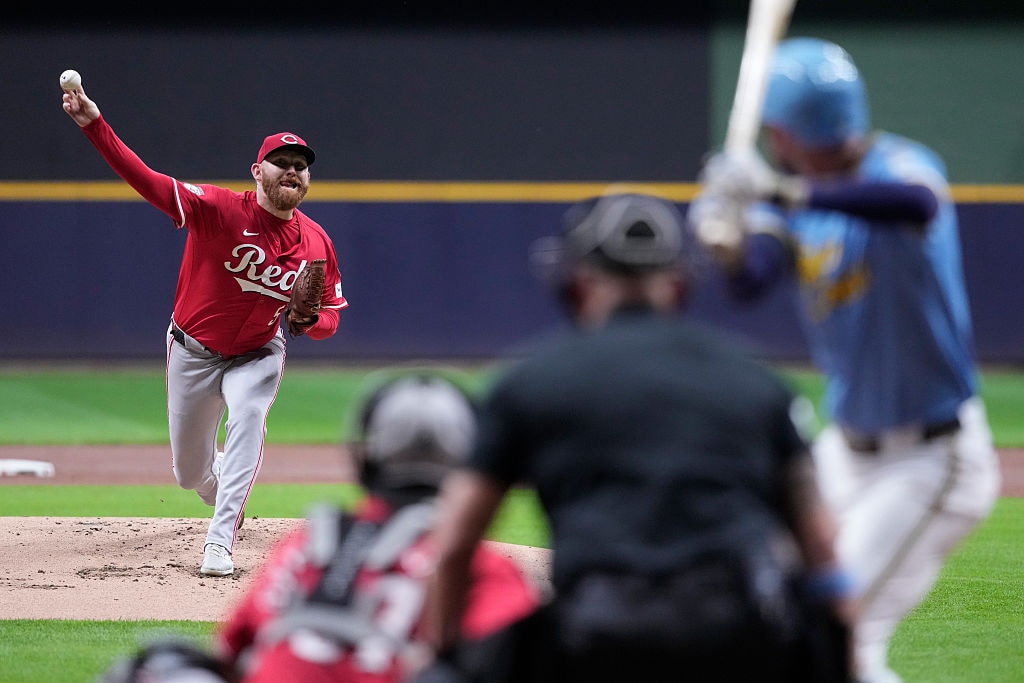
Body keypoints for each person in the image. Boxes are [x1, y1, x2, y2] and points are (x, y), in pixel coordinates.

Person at [420, 189, 854, 682]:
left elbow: (455, 544)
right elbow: (820, 547)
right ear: (679, 283)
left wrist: (442, 658)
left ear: (578, 281)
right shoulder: (758, 382)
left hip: (596, 635)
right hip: (739, 634)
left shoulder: (528, 382)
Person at [687, 37, 1002, 683]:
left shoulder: (900, 168)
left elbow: (915, 204)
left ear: (782, 132)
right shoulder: (795, 201)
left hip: (931, 458)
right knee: (766, 595)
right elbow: (751, 282)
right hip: (846, 452)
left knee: (839, 633)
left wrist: (777, 190)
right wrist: (728, 239)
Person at [61, 82, 348, 577]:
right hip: (192, 350)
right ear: (257, 171)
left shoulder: (317, 242)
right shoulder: (218, 208)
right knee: (189, 473)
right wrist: (94, 125)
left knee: (248, 416)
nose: (292, 170)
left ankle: (220, 540)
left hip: (258, 352)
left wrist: (310, 321)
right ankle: (219, 492)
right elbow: (147, 180)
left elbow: (331, 318)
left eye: (301, 166)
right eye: (281, 162)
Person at [213, 371, 541, 682]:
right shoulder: (479, 568)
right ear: (467, 462)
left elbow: (228, 652)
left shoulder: (303, 547)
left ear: (366, 460)